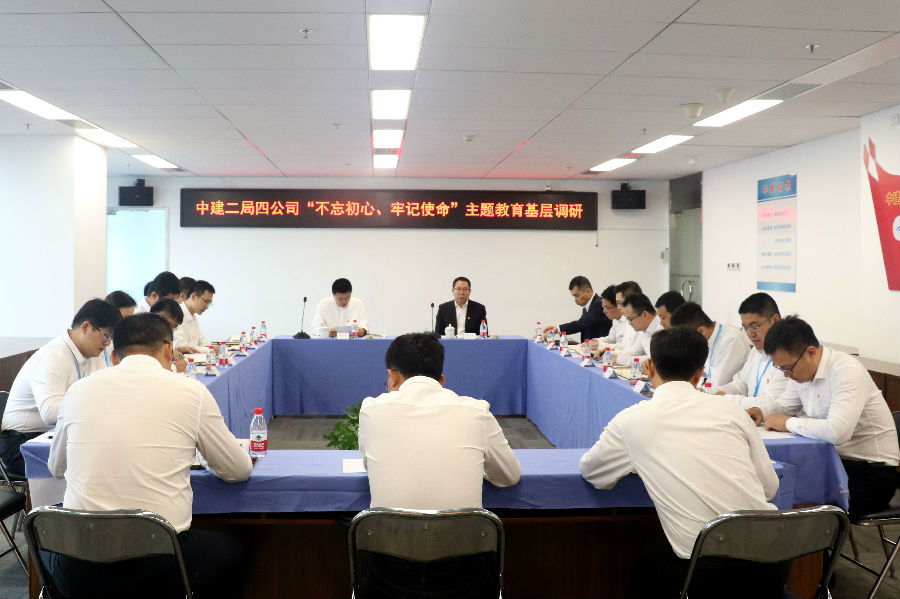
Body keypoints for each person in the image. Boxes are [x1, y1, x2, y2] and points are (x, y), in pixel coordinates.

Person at [46, 313, 253, 598]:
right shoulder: (190, 391)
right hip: (158, 566)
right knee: (235, 547)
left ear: (114, 357)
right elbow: (238, 470)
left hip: (79, 567)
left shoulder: (77, 391)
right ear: (169, 349)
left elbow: (56, 467)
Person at [580, 327, 783, 599]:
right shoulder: (732, 412)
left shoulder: (631, 421)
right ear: (700, 373)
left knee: (643, 572)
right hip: (773, 562)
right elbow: (769, 488)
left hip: (704, 572)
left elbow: (592, 472)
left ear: (650, 367)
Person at [748, 317, 900, 521]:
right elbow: (785, 406)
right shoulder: (800, 373)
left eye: (788, 368)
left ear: (810, 352)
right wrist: (761, 411)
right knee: (775, 490)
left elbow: (838, 432)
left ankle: (814, 541)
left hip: (870, 474)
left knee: (799, 508)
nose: (786, 376)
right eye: (781, 369)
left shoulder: (846, 371)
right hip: (832, 462)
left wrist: (787, 423)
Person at [358, 332, 521, 509]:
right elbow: (509, 476)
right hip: (464, 527)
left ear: (393, 376)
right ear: (442, 381)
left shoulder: (371, 410)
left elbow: (370, 467)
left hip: (387, 527)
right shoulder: (476, 412)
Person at [0, 299, 122, 476]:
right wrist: (94, 402)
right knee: (94, 460)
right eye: (106, 336)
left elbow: (104, 389)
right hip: (22, 443)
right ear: (86, 327)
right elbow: (50, 412)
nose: (107, 343)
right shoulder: (54, 357)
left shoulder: (92, 354)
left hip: (58, 434)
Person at [714, 293, 787, 408]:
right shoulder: (757, 350)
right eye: (746, 328)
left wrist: (725, 399)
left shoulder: (788, 354)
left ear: (775, 320)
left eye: (755, 326)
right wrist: (712, 393)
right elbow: (740, 385)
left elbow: (771, 403)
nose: (751, 334)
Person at [670, 302, 749, 388]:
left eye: (685, 339)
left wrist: (692, 382)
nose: (686, 344)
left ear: (701, 331)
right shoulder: (705, 340)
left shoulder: (731, 340)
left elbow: (718, 384)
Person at [543, 276, 611, 342]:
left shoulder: (599, 304)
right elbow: (583, 324)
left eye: (577, 296)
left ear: (588, 291)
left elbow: (580, 324)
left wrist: (557, 329)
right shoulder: (588, 305)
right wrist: (556, 328)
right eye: (574, 296)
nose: (575, 300)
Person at [612, 293, 662, 366]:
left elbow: (652, 360)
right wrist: (609, 353)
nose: (629, 323)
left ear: (644, 315)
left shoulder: (661, 329)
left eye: (630, 319)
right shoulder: (644, 329)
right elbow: (634, 352)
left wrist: (618, 359)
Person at [174, 280, 215, 354]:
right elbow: (181, 346)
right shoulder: (176, 314)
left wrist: (214, 348)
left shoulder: (193, 317)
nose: (207, 307)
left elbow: (202, 342)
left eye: (209, 303)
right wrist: (210, 350)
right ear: (193, 296)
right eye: (206, 301)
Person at [591, 285, 634, 353]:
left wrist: (599, 344)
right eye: (603, 307)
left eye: (607, 308)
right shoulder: (616, 319)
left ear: (618, 306)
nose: (604, 311)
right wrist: (596, 340)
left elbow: (624, 347)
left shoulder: (631, 322)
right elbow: (611, 338)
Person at [151, 298, 187, 372]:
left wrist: (173, 353)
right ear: (160, 316)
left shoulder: (161, 335)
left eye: (173, 328)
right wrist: (174, 367)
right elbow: (149, 368)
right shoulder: (143, 335)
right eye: (170, 326)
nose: (170, 330)